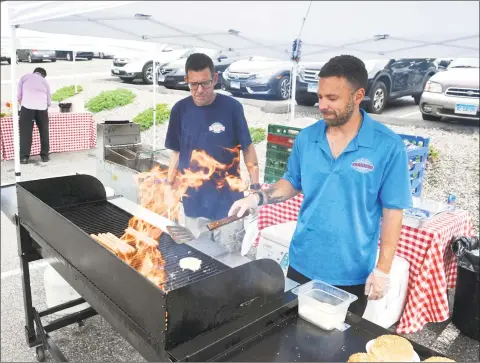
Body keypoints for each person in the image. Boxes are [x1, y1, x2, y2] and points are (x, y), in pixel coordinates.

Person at [229, 55, 412, 316]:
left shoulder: (387, 146)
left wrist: (382, 270)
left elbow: (393, 212)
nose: (322, 105)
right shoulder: (308, 137)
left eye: (332, 99)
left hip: (351, 271)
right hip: (303, 261)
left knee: (336, 349)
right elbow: (291, 183)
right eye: (320, 96)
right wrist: (257, 198)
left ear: (358, 95)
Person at [164, 52, 260, 253]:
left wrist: (255, 185)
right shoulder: (179, 110)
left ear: (215, 79)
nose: (199, 90)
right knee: (195, 258)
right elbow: (176, 151)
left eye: (205, 83)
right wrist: (168, 185)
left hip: (228, 205)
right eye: (193, 84)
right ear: (186, 80)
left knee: (226, 260)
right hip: (193, 203)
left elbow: (248, 148)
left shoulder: (232, 108)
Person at [18, 67, 51, 164]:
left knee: (26, 133)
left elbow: (19, 95)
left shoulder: (25, 77)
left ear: (34, 72)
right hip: (42, 108)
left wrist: (23, 104)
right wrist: (45, 106)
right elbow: (49, 99)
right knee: (44, 131)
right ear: (43, 75)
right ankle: (45, 156)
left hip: (27, 106)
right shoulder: (44, 81)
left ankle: (24, 158)